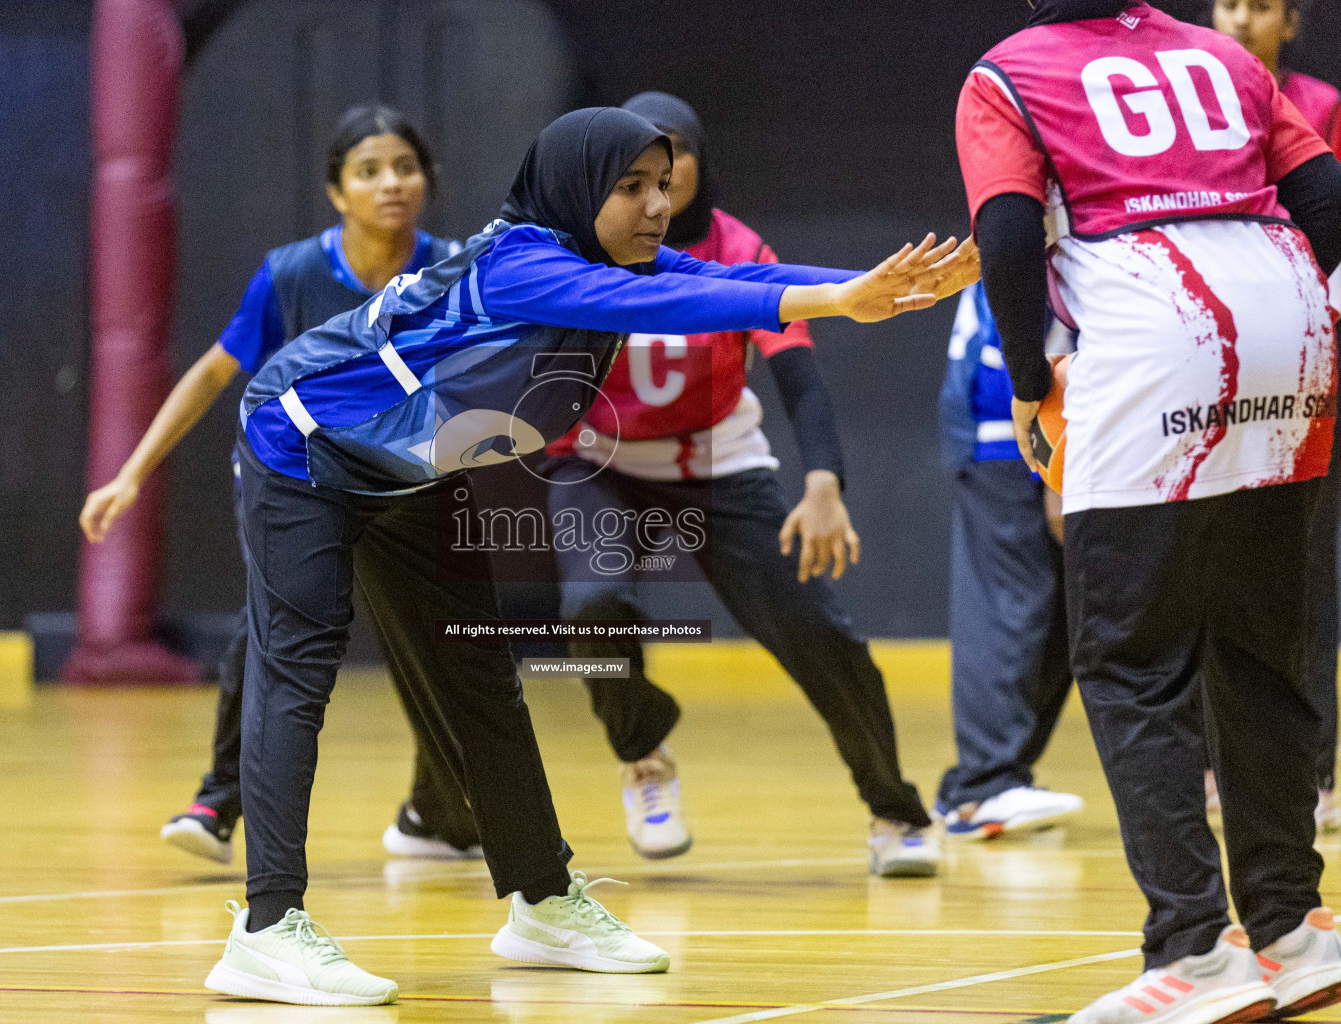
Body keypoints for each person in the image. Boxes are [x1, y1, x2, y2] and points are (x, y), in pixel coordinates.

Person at [207, 106, 977, 1005]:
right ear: (577, 189)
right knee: (298, 671)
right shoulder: (527, 263)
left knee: (480, 675)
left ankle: (541, 901)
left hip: (408, 468)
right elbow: (671, 304)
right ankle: (267, 930)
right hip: (303, 445)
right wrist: (843, 300)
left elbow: (733, 276)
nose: (657, 205)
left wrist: (877, 286)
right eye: (630, 187)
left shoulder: (618, 257)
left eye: (662, 184)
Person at [956, 1, 1341, 1020]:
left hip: (1155, 321)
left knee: (1131, 655)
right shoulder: (1225, 56)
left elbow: (1005, 233)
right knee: (1264, 641)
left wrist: (1033, 379)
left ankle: (1195, 952)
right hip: (1289, 316)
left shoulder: (1006, 72)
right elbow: (1328, 200)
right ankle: (1290, 926)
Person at [518, 90, 943, 876]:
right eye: (632, 168)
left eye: (671, 155)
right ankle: (643, 755)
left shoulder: (736, 246)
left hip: (716, 461)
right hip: (600, 462)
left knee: (821, 636)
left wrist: (824, 481)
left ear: (696, 161)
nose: (657, 177)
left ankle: (896, 811)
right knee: (591, 606)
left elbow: (800, 377)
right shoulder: (572, 248)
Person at [77, 105, 477, 864]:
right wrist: (130, 473)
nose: (390, 183)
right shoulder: (291, 273)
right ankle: (215, 802)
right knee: (268, 634)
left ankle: (441, 809)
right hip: (302, 483)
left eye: (405, 166)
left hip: (407, 484)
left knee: (444, 647)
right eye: (369, 171)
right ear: (337, 192)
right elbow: (212, 372)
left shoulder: (450, 268)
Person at [1212, 0, 1341, 834]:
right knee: (1208, 562)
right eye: (1229, 4)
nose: (1241, 20)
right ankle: (1215, 761)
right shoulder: (1200, 106)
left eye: (1260, 7)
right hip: (1208, 350)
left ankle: (1315, 767)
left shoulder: (1321, 107)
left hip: (1306, 353)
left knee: (1304, 567)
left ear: (1290, 24)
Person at [934, 282, 1085, 839]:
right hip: (1013, 437)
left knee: (1066, 621)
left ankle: (992, 779)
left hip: (1033, 434)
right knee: (1009, 610)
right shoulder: (1047, 227)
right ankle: (983, 788)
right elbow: (1017, 352)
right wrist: (1058, 467)